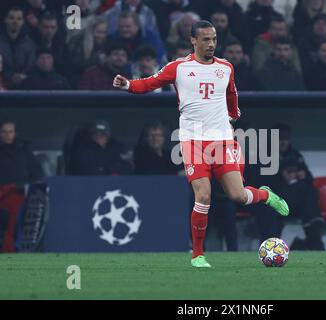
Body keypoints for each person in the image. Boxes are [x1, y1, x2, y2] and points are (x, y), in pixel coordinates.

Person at [113, 20, 290, 268]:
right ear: (193, 41)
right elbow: (149, 83)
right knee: (203, 195)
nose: (211, 44)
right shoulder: (179, 68)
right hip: (193, 141)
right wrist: (128, 85)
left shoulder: (226, 67)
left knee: (238, 196)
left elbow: (231, 93)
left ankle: (265, 195)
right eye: (206, 39)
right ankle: (198, 254)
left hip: (222, 141)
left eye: (214, 39)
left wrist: (234, 113)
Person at [0, 121, 43, 252]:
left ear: (15, 133)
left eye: (10, 131)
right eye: (4, 132)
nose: (8, 135)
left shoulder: (24, 149)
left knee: (20, 227)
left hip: (22, 195)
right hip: (2, 195)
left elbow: (37, 172)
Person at [0, 7, 37, 89]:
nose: (15, 21)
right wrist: (10, 76)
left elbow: (31, 66)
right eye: (11, 18)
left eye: (19, 19)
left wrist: (21, 76)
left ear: (23, 22)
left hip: (25, 86)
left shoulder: (30, 44)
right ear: (5, 20)